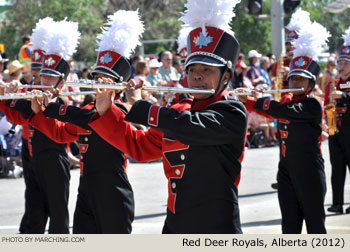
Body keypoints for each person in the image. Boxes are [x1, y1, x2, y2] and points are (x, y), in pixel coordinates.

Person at [89, 0, 247, 234]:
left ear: (225, 78)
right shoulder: (179, 110)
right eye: (192, 70)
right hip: (175, 220)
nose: (197, 77)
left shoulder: (231, 111)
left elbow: (189, 127)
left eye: (207, 70)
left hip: (216, 223)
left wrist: (139, 105)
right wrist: (105, 109)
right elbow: (139, 147)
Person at [29, 10, 141, 234]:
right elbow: (61, 134)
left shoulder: (120, 110)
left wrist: (49, 107)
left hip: (113, 190)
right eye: (97, 79)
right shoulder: (88, 110)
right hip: (86, 188)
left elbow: (88, 119)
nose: (99, 84)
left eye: (105, 80)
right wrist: (38, 111)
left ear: (118, 86)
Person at [239, 21, 329, 234]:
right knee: (289, 226)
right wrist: (247, 99)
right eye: (292, 78)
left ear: (311, 83)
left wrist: (259, 100)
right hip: (286, 170)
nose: (295, 81)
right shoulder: (288, 99)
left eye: (301, 78)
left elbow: (282, 111)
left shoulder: (312, 104)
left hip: (309, 170)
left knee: (315, 227)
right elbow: (273, 110)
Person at [0, 18, 79, 234]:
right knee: (34, 207)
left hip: (53, 158)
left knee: (58, 214)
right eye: (41, 76)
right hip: (33, 156)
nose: (43, 81)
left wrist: (32, 102)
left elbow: (55, 127)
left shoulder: (62, 103)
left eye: (49, 78)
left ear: (61, 83)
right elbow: (17, 118)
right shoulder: (32, 93)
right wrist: (7, 95)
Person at [325, 27, 350, 214]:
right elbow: (327, 104)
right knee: (337, 169)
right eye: (340, 63)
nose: (341, 66)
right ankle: (337, 203)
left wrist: (345, 97)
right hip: (336, 131)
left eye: (345, 63)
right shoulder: (333, 83)